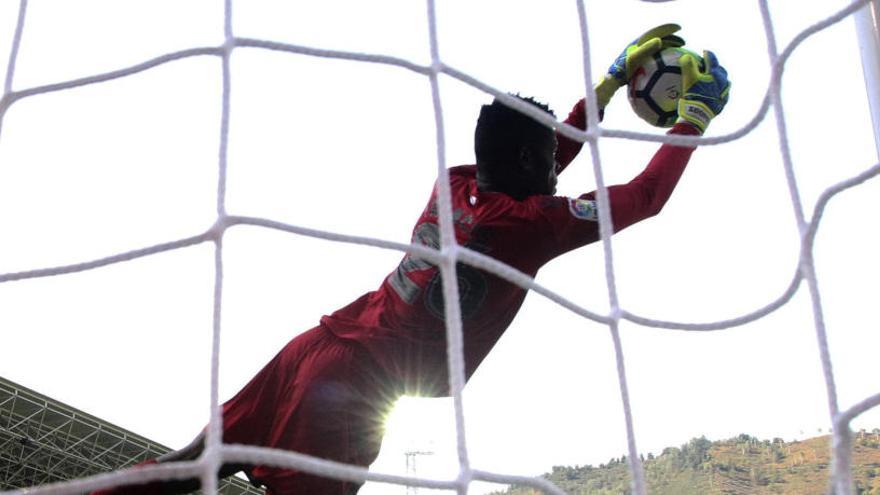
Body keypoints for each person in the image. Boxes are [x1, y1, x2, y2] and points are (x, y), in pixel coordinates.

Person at [93, 24, 730, 495]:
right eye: (549, 166)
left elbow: (535, 156)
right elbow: (644, 197)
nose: (560, 179)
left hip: (310, 349)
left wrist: (609, 85)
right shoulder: (532, 224)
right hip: (351, 392)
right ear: (532, 165)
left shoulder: (455, 184)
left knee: (190, 465)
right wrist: (692, 119)